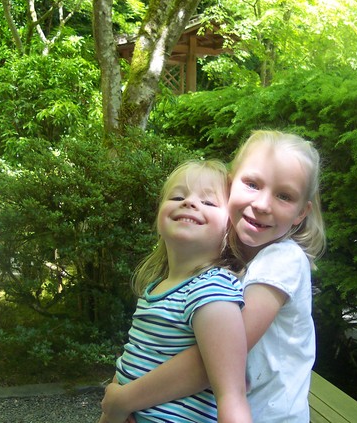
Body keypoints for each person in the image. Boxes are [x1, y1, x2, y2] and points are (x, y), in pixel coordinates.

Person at [101, 130, 326, 422]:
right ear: (230, 186)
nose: (261, 204)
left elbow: (221, 358)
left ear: (300, 213)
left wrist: (125, 399)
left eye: (284, 196)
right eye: (252, 184)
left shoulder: (283, 259)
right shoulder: (226, 261)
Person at [98, 159, 252, 423]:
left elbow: (232, 393)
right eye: (178, 196)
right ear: (158, 219)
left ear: (230, 229)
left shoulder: (211, 289)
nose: (190, 202)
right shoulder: (156, 287)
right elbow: (132, 358)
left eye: (209, 203)